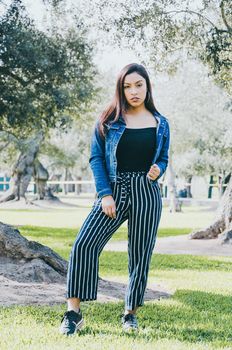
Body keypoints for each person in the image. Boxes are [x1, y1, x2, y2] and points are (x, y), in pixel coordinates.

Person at [60, 62, 170, 335]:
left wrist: (160, 169)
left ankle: (130, 313)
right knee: (84, 244)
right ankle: (73, 313)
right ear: (120, 89)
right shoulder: (109, 120)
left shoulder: (161, 123)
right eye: (127, 86)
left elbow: (164, 157)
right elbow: (96, 158)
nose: (134, 91)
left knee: (140, 255)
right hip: (114, 190)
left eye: (138, 85)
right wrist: (105, 194)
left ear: (147, 86)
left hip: (147, 191)